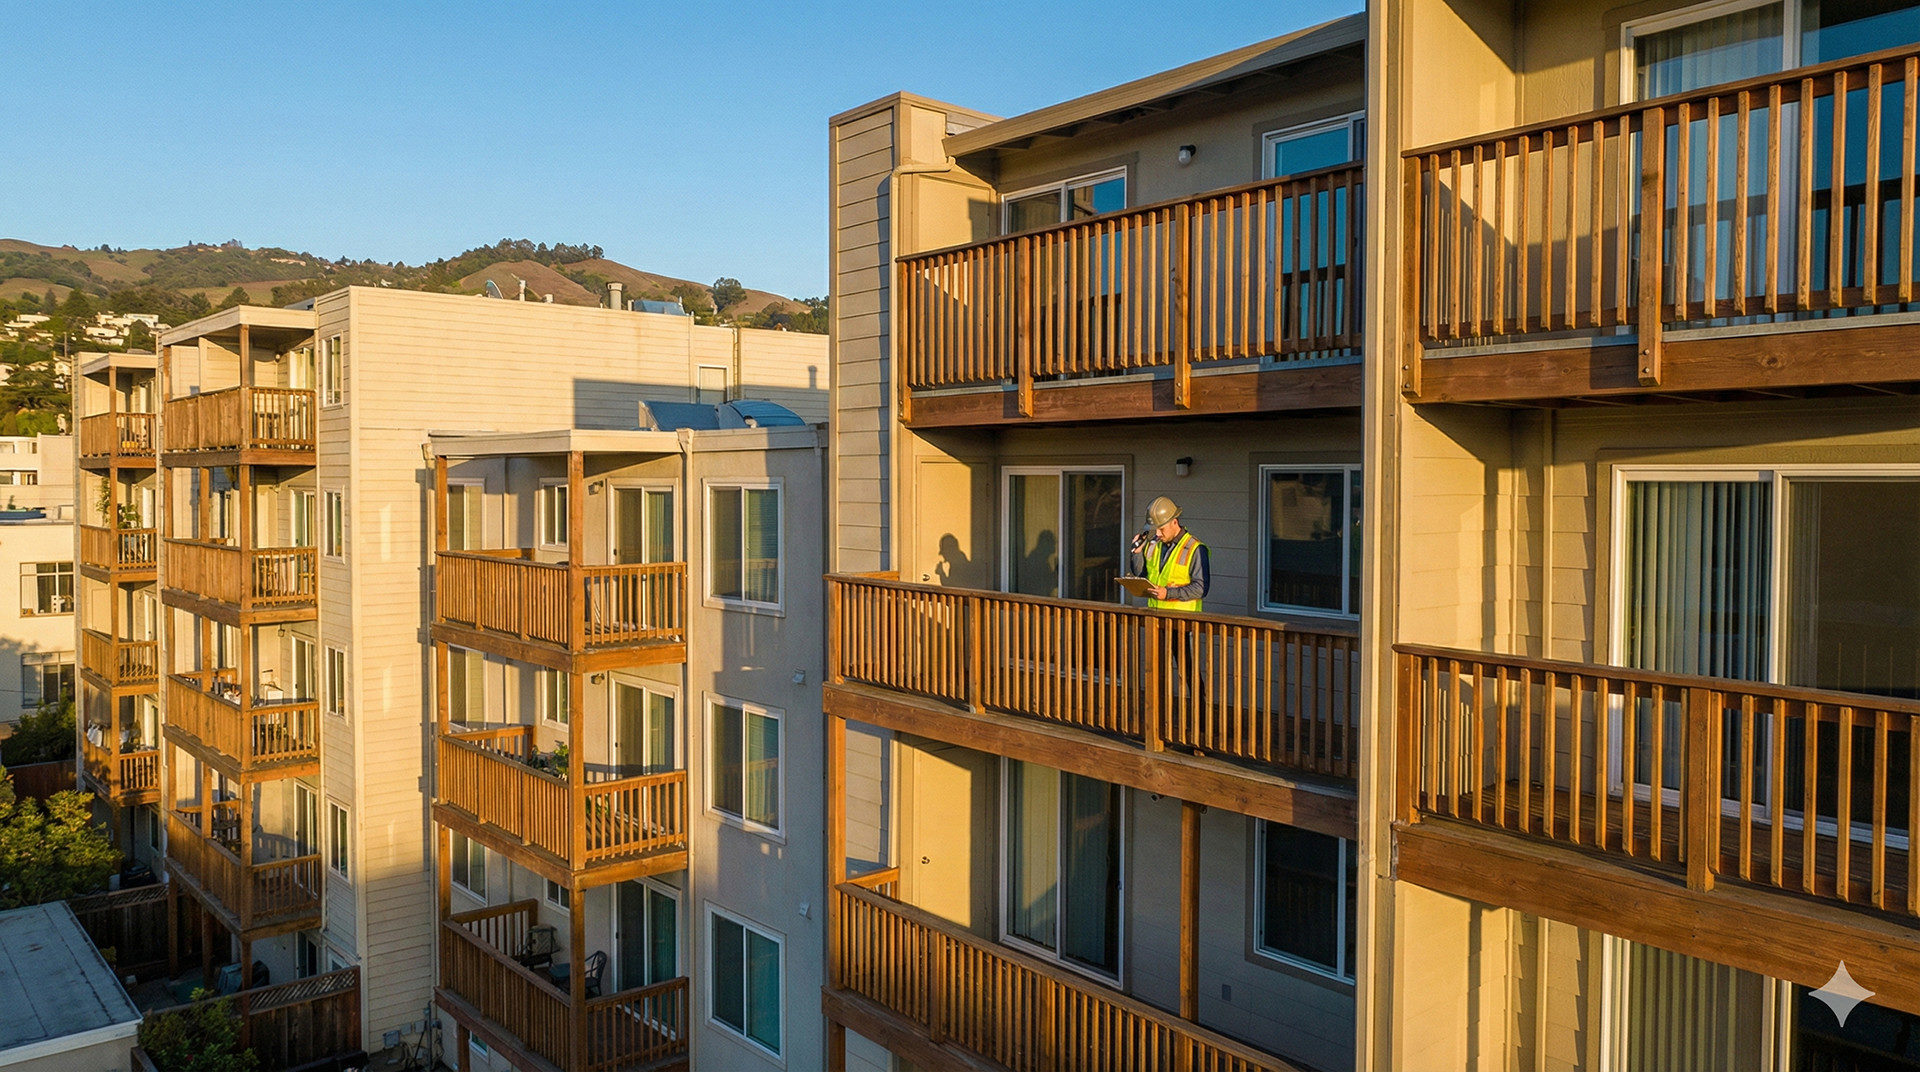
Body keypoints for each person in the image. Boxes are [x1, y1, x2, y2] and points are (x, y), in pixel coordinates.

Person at [1130, 496, 1208, 612]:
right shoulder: (1153, 544)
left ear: (1174, 522)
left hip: (1184, 621)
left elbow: (1201, 589)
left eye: (1161, 529)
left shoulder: (1195, 548)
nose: (1157, 533)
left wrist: (1168, 593)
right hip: (1155, 618)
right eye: (1155, 529)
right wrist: (1137, 552)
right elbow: (1140, 574)